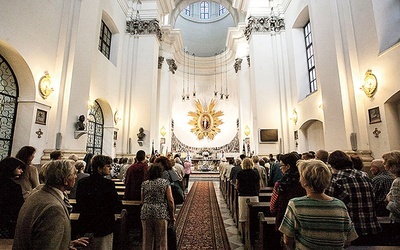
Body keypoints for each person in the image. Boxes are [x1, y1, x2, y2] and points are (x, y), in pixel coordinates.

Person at [279, 159, 358, 249]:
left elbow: (287, 240)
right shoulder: (340, 205)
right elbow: (348, 240)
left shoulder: (295, 204)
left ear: (304, 182)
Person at [13, 160, 89, 250]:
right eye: (73, 174)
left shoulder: (37, 194)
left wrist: (65, 244)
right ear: (65, 180)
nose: (76, 177)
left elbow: (43, 238)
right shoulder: (54, 208)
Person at [325, 150, 381, 244]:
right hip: (371, 226)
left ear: (332, 165)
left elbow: (329, 204)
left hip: (351, 231)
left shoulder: (335, 179)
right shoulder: (364, 175)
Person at [75, 155, 122, 249]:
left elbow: (79, 203)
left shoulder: (82, 182)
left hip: (85, 225)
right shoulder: (108, 184)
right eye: (108, 166)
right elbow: (117, 206)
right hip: (103, 227)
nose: (111, 168)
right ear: (99, 168)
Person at [141, 163, 175, 249]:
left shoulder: (144, 184)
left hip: (146, 212)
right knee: (161, 241)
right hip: (160, 213)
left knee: (147, 241)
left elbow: (142, 200)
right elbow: (170, 201)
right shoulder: (165, 183)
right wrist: (172, 216)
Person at [270, 152, 306, 231]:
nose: (280, 168)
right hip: (303, 220)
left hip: (284, 220)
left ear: (288, 166)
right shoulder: (305, 182)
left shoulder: (280, 184)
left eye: (281, 166)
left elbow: (272, 207)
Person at [0, 157, 26, 238]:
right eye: (19, 168)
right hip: (7, 224)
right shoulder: (14, 187)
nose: (21, 171)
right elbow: (18, 208)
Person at [236, 158, 260, 235]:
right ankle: (254, 232)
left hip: (243, 195)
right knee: (254, 215)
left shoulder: (240, 173)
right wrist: (257, 192)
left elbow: (237, 185)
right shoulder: (255, 173)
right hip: (254, 195)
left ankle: (243, 233)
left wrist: (239, 190)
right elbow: (259, 185)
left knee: (243, 215)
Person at [383, 150, 400, 223]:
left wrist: (388, 200)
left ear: (393, 165)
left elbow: (398, 209)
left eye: (385, 162)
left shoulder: (397, 182)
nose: (384, 164)